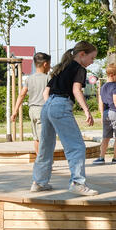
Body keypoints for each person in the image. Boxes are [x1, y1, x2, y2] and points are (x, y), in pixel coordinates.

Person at [31, 41, 99, 196]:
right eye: (92, 58)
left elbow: (45, 94)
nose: (92, 62)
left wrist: (52, 105)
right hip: (61, 104)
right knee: (76, 146)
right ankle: (77, 183)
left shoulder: (60, 69)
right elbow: (76, 90)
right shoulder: (79, 69)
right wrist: (87, 111)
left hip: (47, 106)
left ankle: (39, 182)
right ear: (82, 54)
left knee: (45, 146)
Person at [11, 53, 51, 154]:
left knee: (36, 137)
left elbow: (21, 95)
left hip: (32, 110)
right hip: (43, 110)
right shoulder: (48, 78)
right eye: (50, 64)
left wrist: (15, 111)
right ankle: (44, 161)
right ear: (45, 64)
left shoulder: (29, 78)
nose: (50, 67)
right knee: (44, 137)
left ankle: (39, 159)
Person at [94, 63, 116, 164]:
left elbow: (100, 102)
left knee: (106, 137)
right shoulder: (115, 86)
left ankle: (101, 158)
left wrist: (101, 114)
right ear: (112, 75)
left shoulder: (103, 87)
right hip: (115, 113)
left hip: (106, 113)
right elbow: (115, 99)